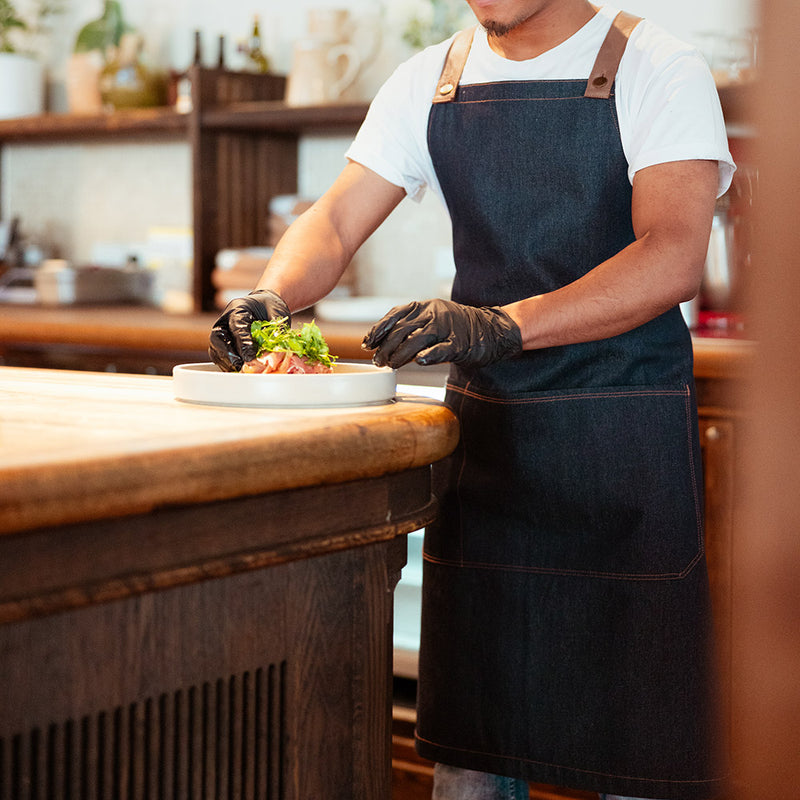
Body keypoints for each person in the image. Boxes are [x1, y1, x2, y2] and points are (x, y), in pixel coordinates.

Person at [208, 2, 735, 798]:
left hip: (621, 452)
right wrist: (271, 296)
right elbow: (338, 219)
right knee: (471, 758)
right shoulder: (432, 79)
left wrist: (504, 325)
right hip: (491, 457)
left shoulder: (657, 66)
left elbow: (671, 254)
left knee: (638, 755)